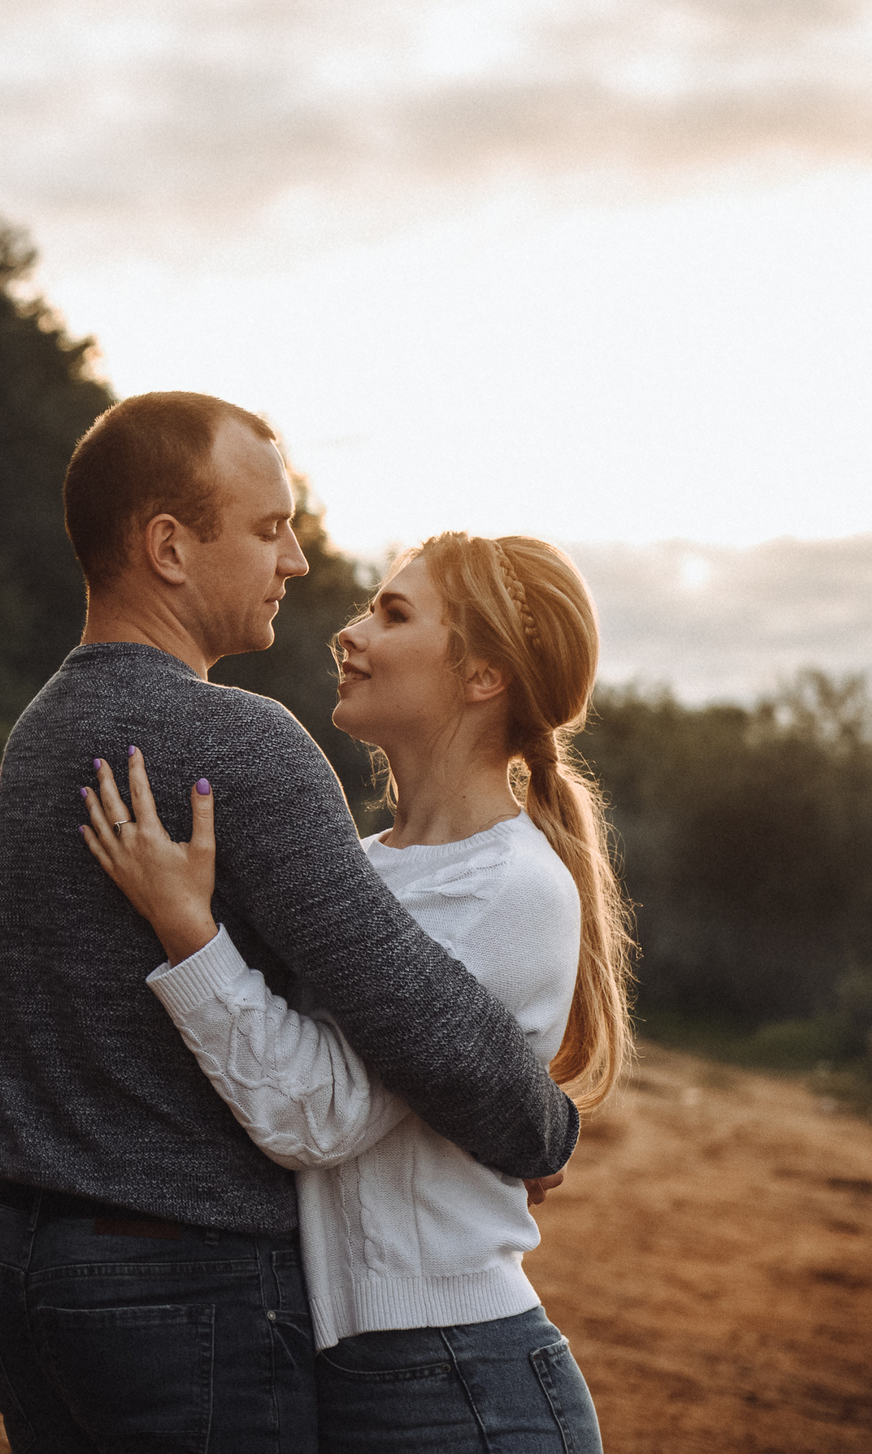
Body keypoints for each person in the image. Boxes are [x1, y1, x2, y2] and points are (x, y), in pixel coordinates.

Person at [0, 391, 578, 1454]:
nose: (296, 563)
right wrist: (542, 1125)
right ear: (168, 546)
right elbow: (414, 1016)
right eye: (267, 529)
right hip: (182, 1281)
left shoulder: (36, 740)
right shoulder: (240, 744)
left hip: (26, 1266)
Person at [76, 532, 628, 1452]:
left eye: (394, 613)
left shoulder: (512, 888)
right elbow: (245, 1043)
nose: (350, 630)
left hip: (460, 1380)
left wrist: (188, 928)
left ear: (483, 674)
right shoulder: (357, 870)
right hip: (347, 1368)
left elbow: (315, 1115)